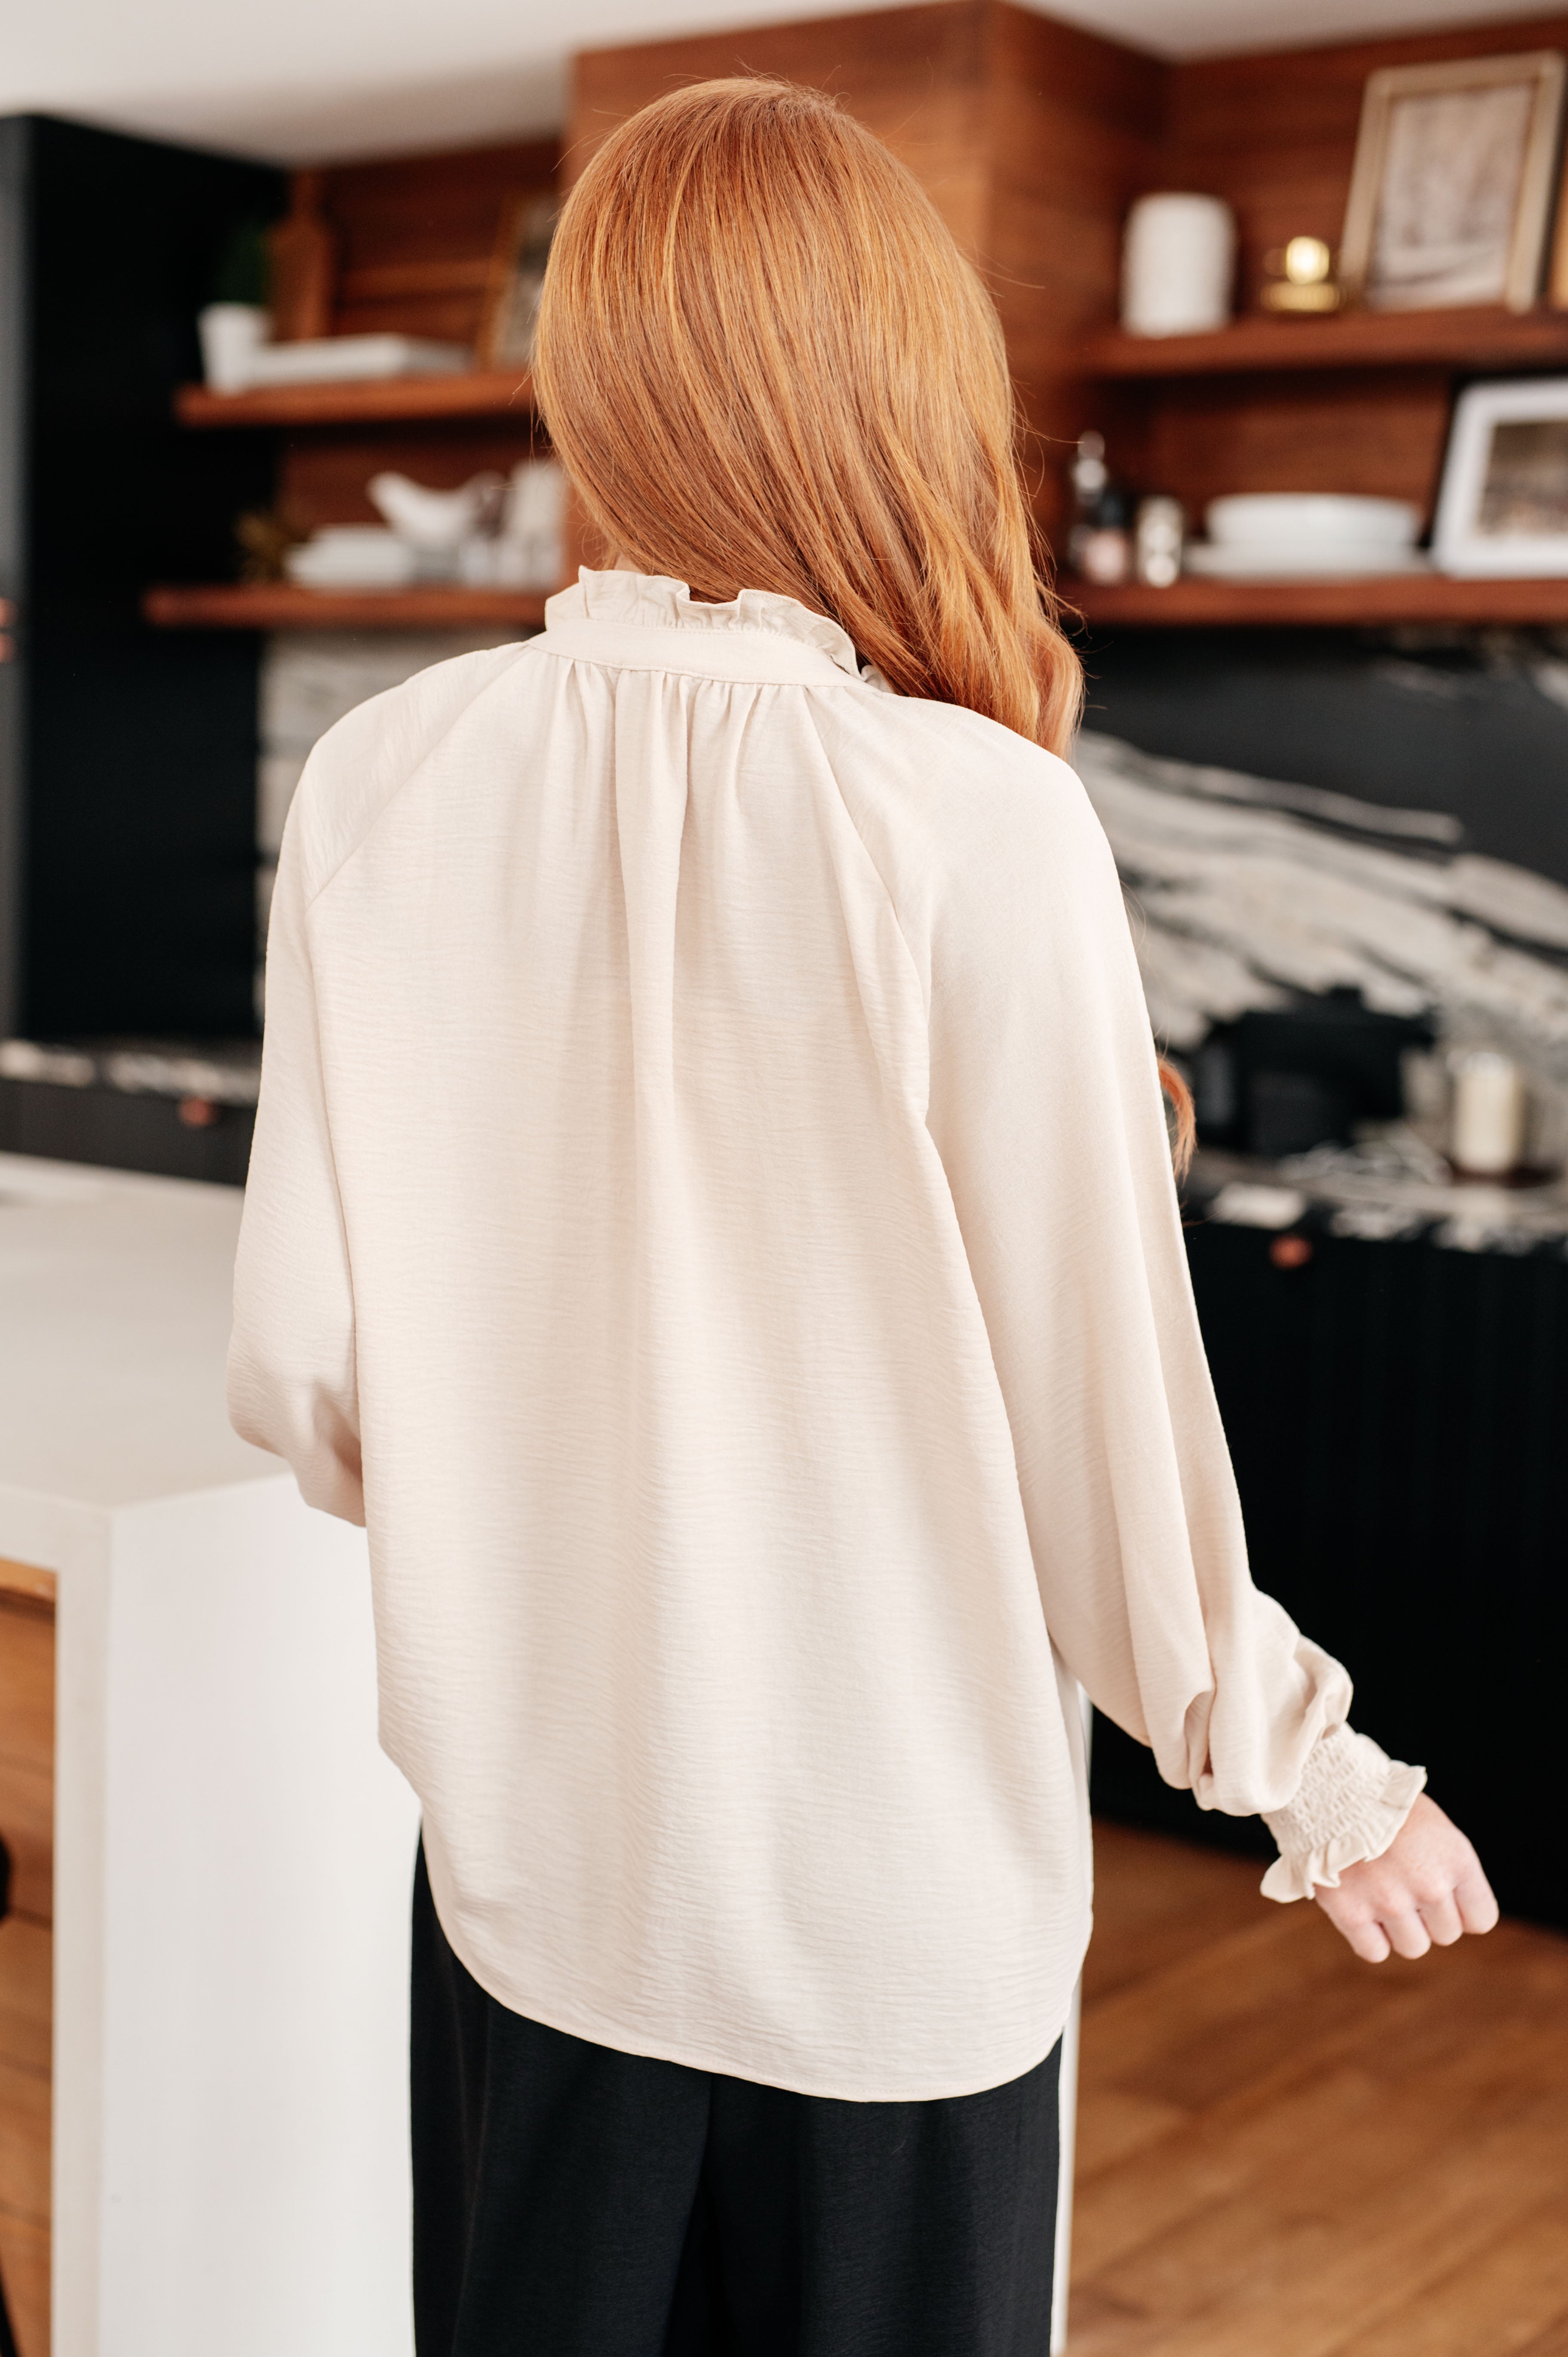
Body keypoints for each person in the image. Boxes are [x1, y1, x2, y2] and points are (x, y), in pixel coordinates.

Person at [228, 78, 1498, 2357]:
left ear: (587, 369)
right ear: (894, 389)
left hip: (537, 1901)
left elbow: (316, 1390)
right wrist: (1310, 1766)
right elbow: (1103, 1435)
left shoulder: (381, 778)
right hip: (894, 1938)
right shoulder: (977, 823)